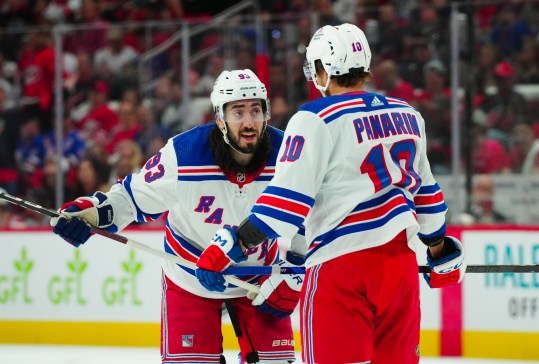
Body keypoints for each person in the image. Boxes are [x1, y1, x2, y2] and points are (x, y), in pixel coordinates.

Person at [196, 24, 467, 364]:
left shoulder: (315, 118)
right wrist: (439, 250)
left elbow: (284, 207)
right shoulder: (407, 114)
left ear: (325, 69)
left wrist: (232, 245)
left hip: (341, 269)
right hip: (399, 268)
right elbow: (427, 195)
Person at [50, 69, 303, 364]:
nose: (249, 122)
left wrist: (295, 270)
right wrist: (89, 214)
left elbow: (317, 213)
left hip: (258, 276)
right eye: (238, 112)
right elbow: (130, 198)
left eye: (256, 110)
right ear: (220, 118)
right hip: (190, 275)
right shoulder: (184, 154)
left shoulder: (289, 153)